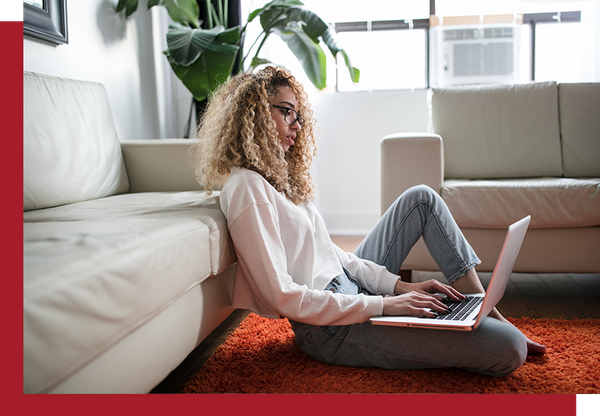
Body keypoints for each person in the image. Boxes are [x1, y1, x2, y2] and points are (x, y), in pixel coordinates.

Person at [192, 66, 545, 377]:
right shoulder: (246, 187)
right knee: (510, 348)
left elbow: (332, 255)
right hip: (329, 328)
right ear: (253, 114)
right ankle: (484, 324)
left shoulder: (278, 178)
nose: (296, 125)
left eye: (298, 115)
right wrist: (384, 305)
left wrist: (398, 288)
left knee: (421, 198)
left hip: (349, 290)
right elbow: (283, 296)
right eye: (287, 112)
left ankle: (482, 308)